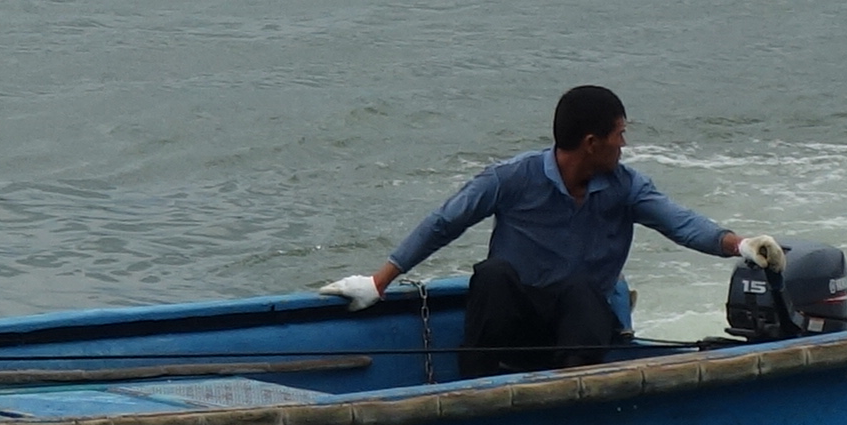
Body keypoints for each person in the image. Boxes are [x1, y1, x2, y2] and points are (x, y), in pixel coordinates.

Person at [330, 85, 779, 373]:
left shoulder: (627, 186)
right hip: (513, 327)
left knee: (583, 288)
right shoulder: (510, 178)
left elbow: (683, 224)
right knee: (493, 274)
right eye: (620, 134)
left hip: (578, 334)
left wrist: (741, 245)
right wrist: (378, 282)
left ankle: (574, 391)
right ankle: (482, 384)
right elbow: (444, 222)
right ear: (591, 143)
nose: (624, 144)